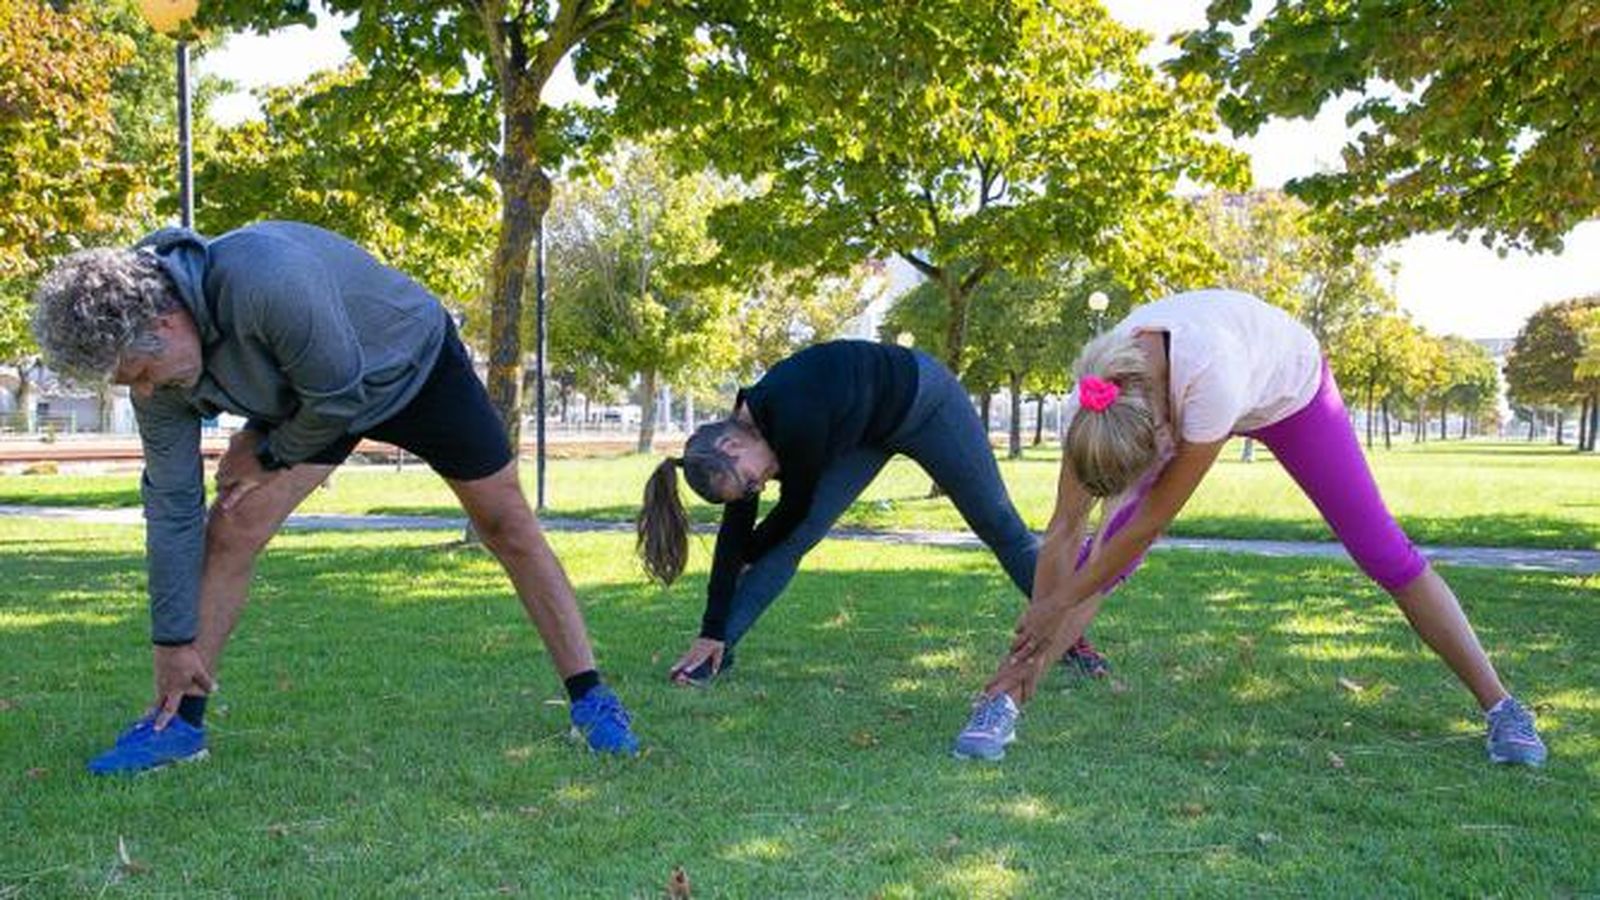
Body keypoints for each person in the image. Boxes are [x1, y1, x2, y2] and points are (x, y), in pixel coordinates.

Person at [30, 221, 640, 773]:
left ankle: (591, 697)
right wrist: (171, 640)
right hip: (315, 394)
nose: (144, 390)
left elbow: (341, 397)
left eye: (140, 373)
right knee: (233, 526)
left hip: (409, 367)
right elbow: (169, 506)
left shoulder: (267, 279)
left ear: (165, 323)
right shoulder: (157, 383)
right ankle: (177, 723)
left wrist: (265, 450)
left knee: (506, 524)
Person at [951, 289, 1546, 766]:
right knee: (1090, 561)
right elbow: (1063, 530)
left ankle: (1503, 708)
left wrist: (1058, 605)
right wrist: (1042, 615)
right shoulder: (1098, 402)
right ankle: (1003, 700)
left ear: (1161, 430)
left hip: (1291, 393)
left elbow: (1146, 523)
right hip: (1170, 396)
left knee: (1382, 550)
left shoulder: (1212, 379)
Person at [635, 339, 1110, 687]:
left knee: (999, 524)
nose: (759, 488)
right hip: (865, 429)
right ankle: (717, 653)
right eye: (751, 490)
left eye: (752, 483)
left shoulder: (795, 419)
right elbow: (738, 535)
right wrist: (711, 627)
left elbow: (790, 512)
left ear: (732, 443)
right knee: (793, 541)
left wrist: (748, 550)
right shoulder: (748, 443)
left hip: (925, 400)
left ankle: (1068, 635)